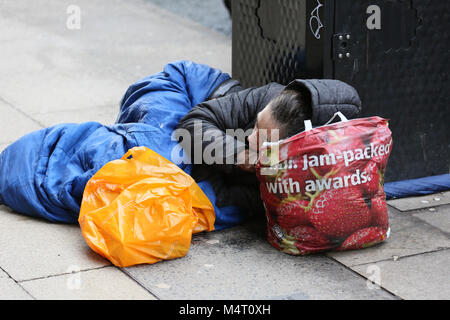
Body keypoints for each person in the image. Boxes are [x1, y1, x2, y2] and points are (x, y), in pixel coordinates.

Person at [176, 77, 362, 218]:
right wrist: (239, 154)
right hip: (196, 84)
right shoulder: (270, 97)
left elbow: (221, 198)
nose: (249, 137)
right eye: (256, 124)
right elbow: (192, 123)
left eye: (264, 138)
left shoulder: (286, 188)